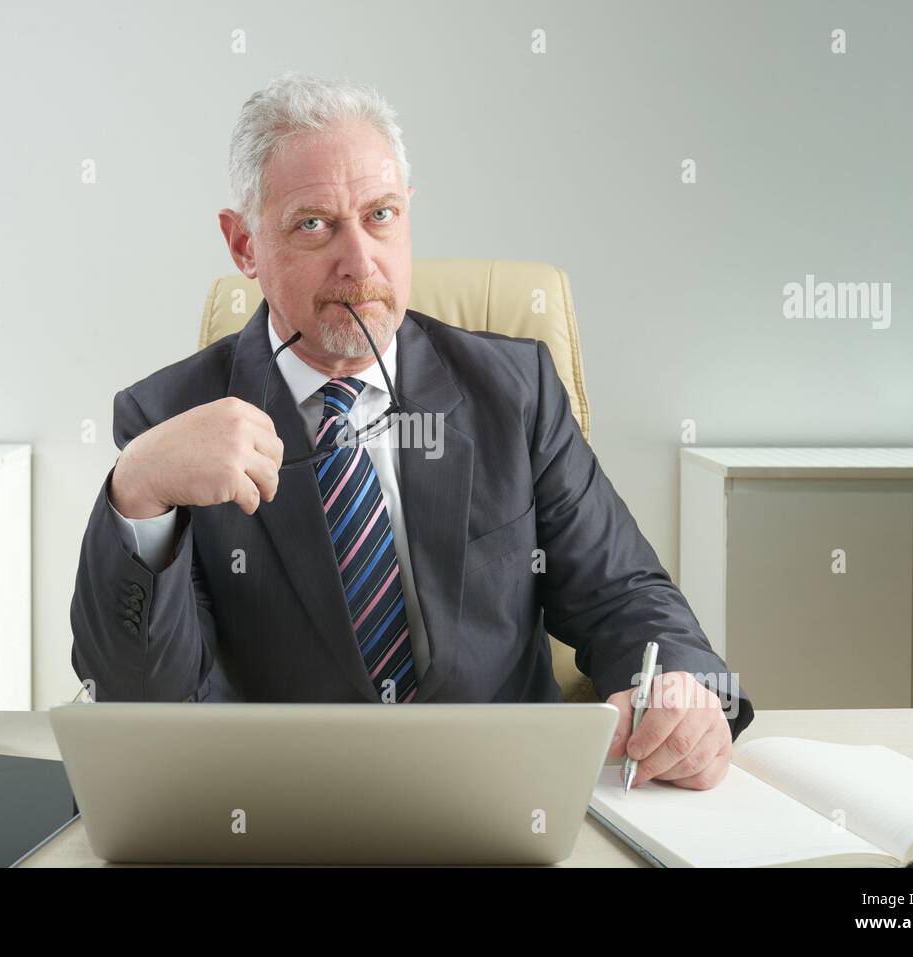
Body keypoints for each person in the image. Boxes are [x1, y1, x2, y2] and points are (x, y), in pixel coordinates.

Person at [70, 72, 753, 791]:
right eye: (314, 224)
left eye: (381, 215)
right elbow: (141, 709)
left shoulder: (514, 390)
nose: (360, 262)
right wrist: (137, 491)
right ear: (244, 244)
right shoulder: (169, 421)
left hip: (503, 804)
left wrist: (683, 692)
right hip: (285, 813)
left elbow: (625, 595)